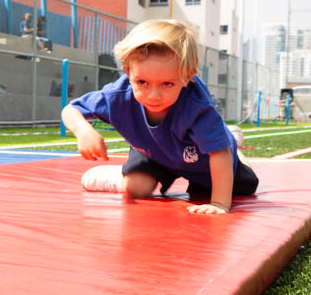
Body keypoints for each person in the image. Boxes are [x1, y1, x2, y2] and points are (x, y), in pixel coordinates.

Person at [61, 19, 258, 215]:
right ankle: (120, 177)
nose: (153, 95)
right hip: (153, 149)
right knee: (136, 188)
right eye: (142, 82)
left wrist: (219, 203)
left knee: (242, 187)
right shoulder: (118, 96)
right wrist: (82, 129)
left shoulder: (197, 108)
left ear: (186, 77)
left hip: (200, 159)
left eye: (167, 84)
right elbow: (71, 110)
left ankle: (232, 144)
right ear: (128, 72)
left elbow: (219, 156)